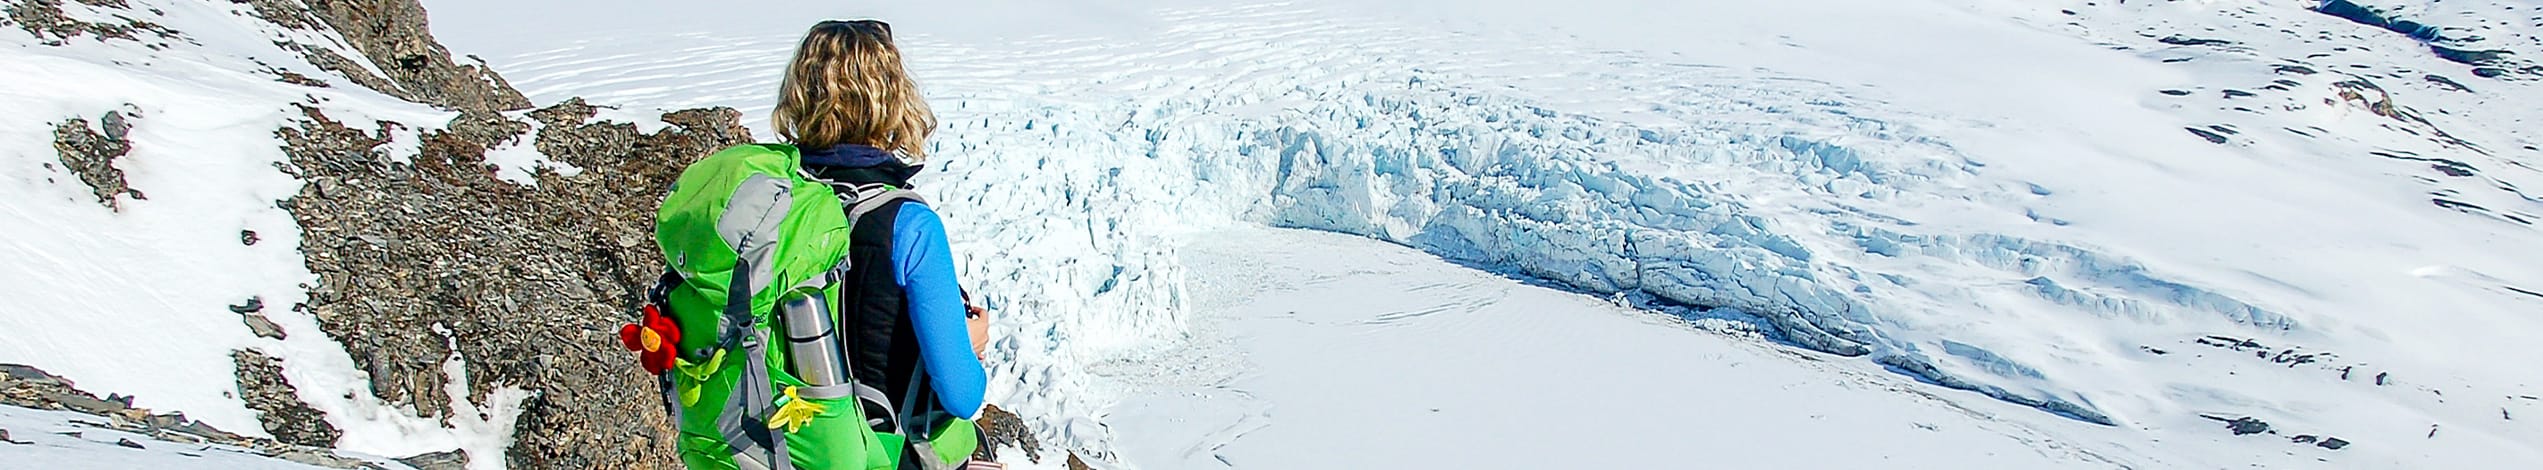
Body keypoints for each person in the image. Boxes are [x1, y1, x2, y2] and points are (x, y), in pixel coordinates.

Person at [772, 19, 996, 468]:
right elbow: (961, 396)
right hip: (879, 453)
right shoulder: (909, 226)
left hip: (782, 446)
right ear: (891, 99)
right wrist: (969, 342)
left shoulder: (772, 203)